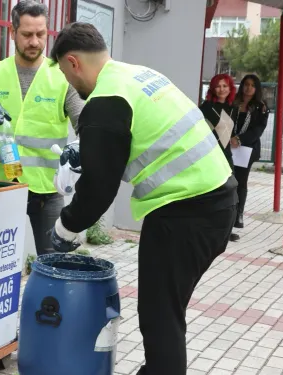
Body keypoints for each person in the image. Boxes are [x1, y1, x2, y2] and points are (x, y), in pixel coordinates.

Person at [47, 22, 238, 375]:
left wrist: (66, 227)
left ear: (73, 62)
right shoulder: (136, 75)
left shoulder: (104, 102)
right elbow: (140, 140)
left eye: (64, 73)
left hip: (185, 214)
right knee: (167, 309)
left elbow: (98, 189)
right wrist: (84, 151)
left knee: (159, 314)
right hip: (217, 201)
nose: (70, 84)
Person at [0, 1, 84, 255]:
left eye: (40, 34)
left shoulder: (62, 76)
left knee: (54, 265)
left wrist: (80, 147)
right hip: (0, 188)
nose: (34, 42)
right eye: (26, 34)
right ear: (13, 32)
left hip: (47, 191)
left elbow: (85, 124)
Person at [199, 74, 240, 242]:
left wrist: (235, 137)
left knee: (229, 191)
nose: (221, 89)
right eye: (218, 86)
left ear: (230, 88)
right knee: (210, 190)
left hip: (226, 154)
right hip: (210, 154)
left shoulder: (233, 108)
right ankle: (206, 226)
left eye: (225, 86)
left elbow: (231, 131)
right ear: (213, 89)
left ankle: (226, 229)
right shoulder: (206, 107)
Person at [230, 74, 269, 229]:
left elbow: (258, 130)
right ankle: (227, 212)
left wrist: (239, 139)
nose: (249, 88)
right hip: (228, 145)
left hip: (247, 148)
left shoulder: (261, 107)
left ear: (256, 88)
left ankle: (239, 214)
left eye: (253, 85)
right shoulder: (233, 102)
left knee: (240, 181)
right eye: (246, 84)